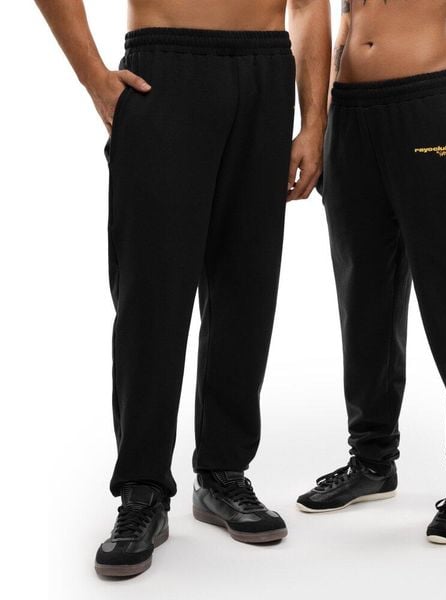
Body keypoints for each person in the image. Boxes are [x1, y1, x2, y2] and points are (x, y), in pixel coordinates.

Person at [35, 0, 330, 576]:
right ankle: (142, 490)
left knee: (247, 289)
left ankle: (223, 473)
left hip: (266, 68)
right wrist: (95, 78)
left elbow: (308, 4)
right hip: (165, 66)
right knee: (152, 295)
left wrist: (314, 122)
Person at [297, 0, 446, 545]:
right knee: (363, 295)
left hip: (428, 101)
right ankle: (372, 461)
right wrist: (323, 122)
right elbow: (343, 18)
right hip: (350, 114)